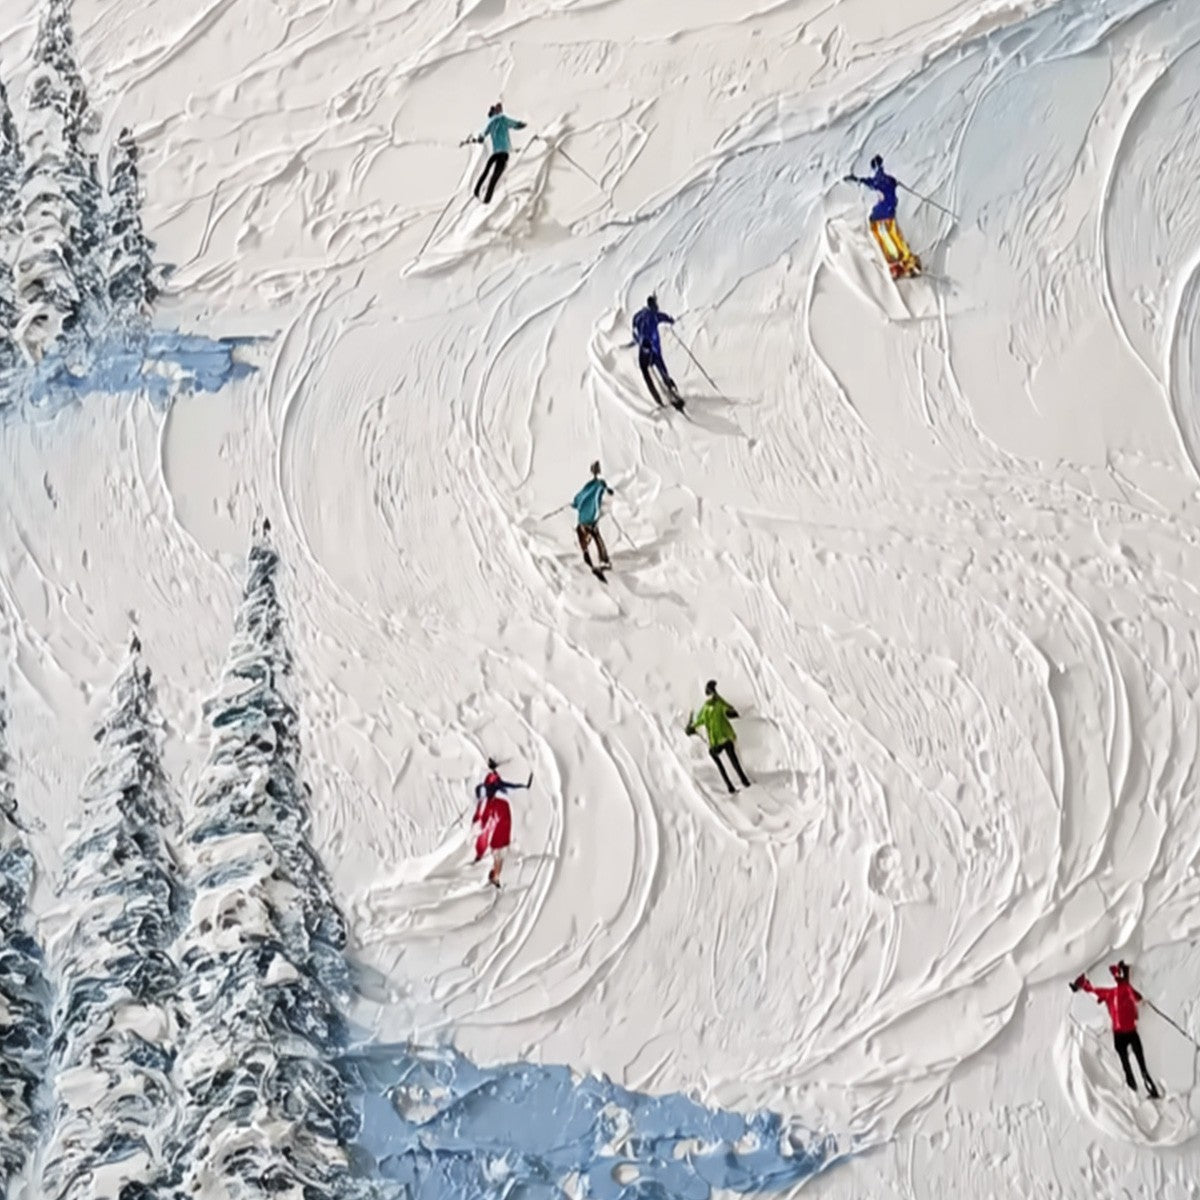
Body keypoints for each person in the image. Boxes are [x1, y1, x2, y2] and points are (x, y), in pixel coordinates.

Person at [1070, 961, 1160, 1098]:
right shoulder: (1125, 989)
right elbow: (1138, 997)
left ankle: (1133, 1092)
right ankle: (1148, 1089)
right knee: (1140, 1064)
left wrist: (1081, 984)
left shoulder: (1108, 992)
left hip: (1119, 1034)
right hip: (1130, 1031)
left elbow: (1092, 989)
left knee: (1126, 1064)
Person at [844, 155, 920, 278]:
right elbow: (889, 183)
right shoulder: (888, 179)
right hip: (888, 212)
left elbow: (864, 182)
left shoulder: (876, 181)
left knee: (885, 238)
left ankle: (897, 262)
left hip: (879, 215)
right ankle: (907, 261)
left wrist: (852, 178)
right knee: (894, 236)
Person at [473, 757, 532, 887]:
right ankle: (497, 877)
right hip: (500, 831)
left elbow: (503, 786)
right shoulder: (492, 794)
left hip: (500, 831)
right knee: (498, 856)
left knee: (498, 856)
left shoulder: (491, 792)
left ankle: (497, 877)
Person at [686, 680, 751, 794]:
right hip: (726, 738)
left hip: (715, 743)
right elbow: (730, 708)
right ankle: (744, 781)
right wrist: (718, 697)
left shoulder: (706, 709)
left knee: (718, 761)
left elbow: (699, 721)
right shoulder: (719, 704)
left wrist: (690, 727)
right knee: (734, 760)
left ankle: (730, 786)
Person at [469, 102, 527, 204]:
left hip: (495, 153)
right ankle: (487, 199)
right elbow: (515, 124)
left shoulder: (491, 123)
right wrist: (522, 124)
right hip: (503, 153)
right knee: (495, 175)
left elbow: (482, 136)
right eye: (499, 108)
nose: (501, 109)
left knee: (486, 170)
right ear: (496, 111)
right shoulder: (503, 119)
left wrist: (479, 139)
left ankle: (476, 190)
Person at [631, 295, 680, 407]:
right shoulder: (655, 315)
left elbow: (634, 328)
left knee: (645, 370)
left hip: (645, 349)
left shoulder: (639, 315)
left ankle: (658, 398)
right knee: (660, 366)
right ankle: (670, 387)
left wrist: (636, 339)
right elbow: (666, 318)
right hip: (654, 348)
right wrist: (672, 321)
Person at [571, 461, 613, 573]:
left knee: (582, 531)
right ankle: (604, 559)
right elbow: (606, 495)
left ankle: (586, 552)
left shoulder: (589, 486)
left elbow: (580, 497)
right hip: (594, 516)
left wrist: (574, 503)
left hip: (585, 517)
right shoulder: (602, 485)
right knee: (596, 535)